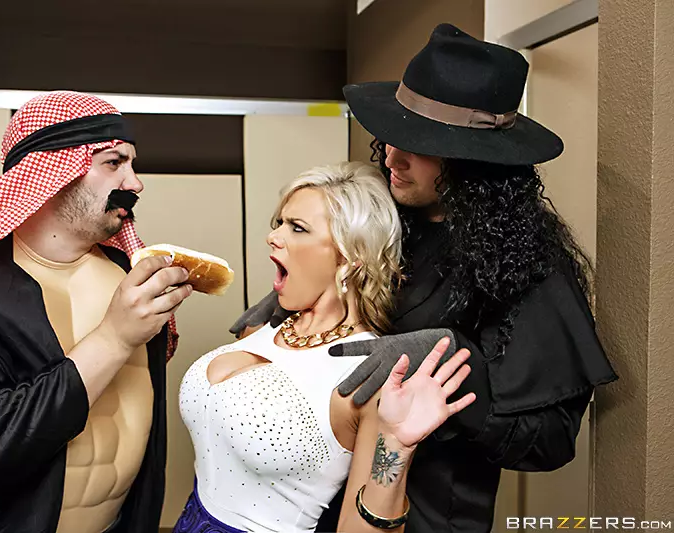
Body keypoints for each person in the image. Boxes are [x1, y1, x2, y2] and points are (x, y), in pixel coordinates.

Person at [231, 24, 618, 533]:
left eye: (418, 146)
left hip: (428, 516)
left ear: (472, 162)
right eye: (393, 137)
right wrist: (298, 295)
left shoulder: (527, 265)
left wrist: (452, 356)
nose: (391, 157)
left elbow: (549, 441)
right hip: (323, 504)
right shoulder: (391, 218)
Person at [0, 91, 194, 533]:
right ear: (51, 172)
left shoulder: (131, 276)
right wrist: (114, 338)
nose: (135, 183)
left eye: (132, 165)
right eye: (113, 163)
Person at [175, 162, 477, 533]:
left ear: (350, 256)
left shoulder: (369, 375)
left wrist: (396, 448)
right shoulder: (262, 324)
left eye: (297, 227)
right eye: (280, 223)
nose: (273, 237)